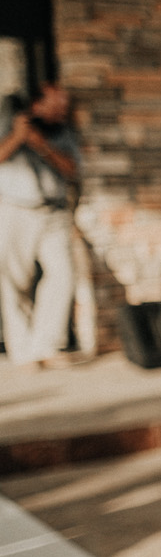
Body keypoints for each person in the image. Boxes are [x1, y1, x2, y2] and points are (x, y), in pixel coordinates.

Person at [0, 83, 80, 369]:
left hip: (54, 211)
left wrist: (41, 145)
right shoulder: (9, 124)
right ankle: (23, 351)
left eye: (65, 106)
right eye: (56, 104)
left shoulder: (63, 132)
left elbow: (72, 169)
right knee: (13, 282)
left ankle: (46, 345)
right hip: (15, 209)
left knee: (63, 274)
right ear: (37, 105)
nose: (62, 111)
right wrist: (18, 136)